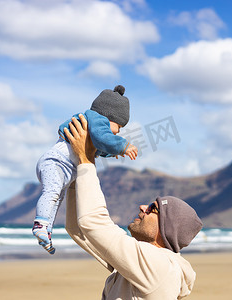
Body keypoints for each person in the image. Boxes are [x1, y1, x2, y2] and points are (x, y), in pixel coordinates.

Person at [64, 114, 203, 300]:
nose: (143, 207)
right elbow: (78, 228)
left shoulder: (160, 266)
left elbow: (93, 222)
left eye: (153, 208)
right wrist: (77, 167)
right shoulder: (140, 263)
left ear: (166, 229)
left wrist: (86, 160)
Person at [32, 85, 138, 254]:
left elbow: (97, 148)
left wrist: (112, 152)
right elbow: (103, 137)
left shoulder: (94, 126)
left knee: (57, 198)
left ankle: (45, 233)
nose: (118, 132)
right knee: (52, 192)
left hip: (64, 169)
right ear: (109, 115)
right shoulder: (96, 118)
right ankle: (39, 224)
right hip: (55, 162)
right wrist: (122, 145)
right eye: (119, 126)